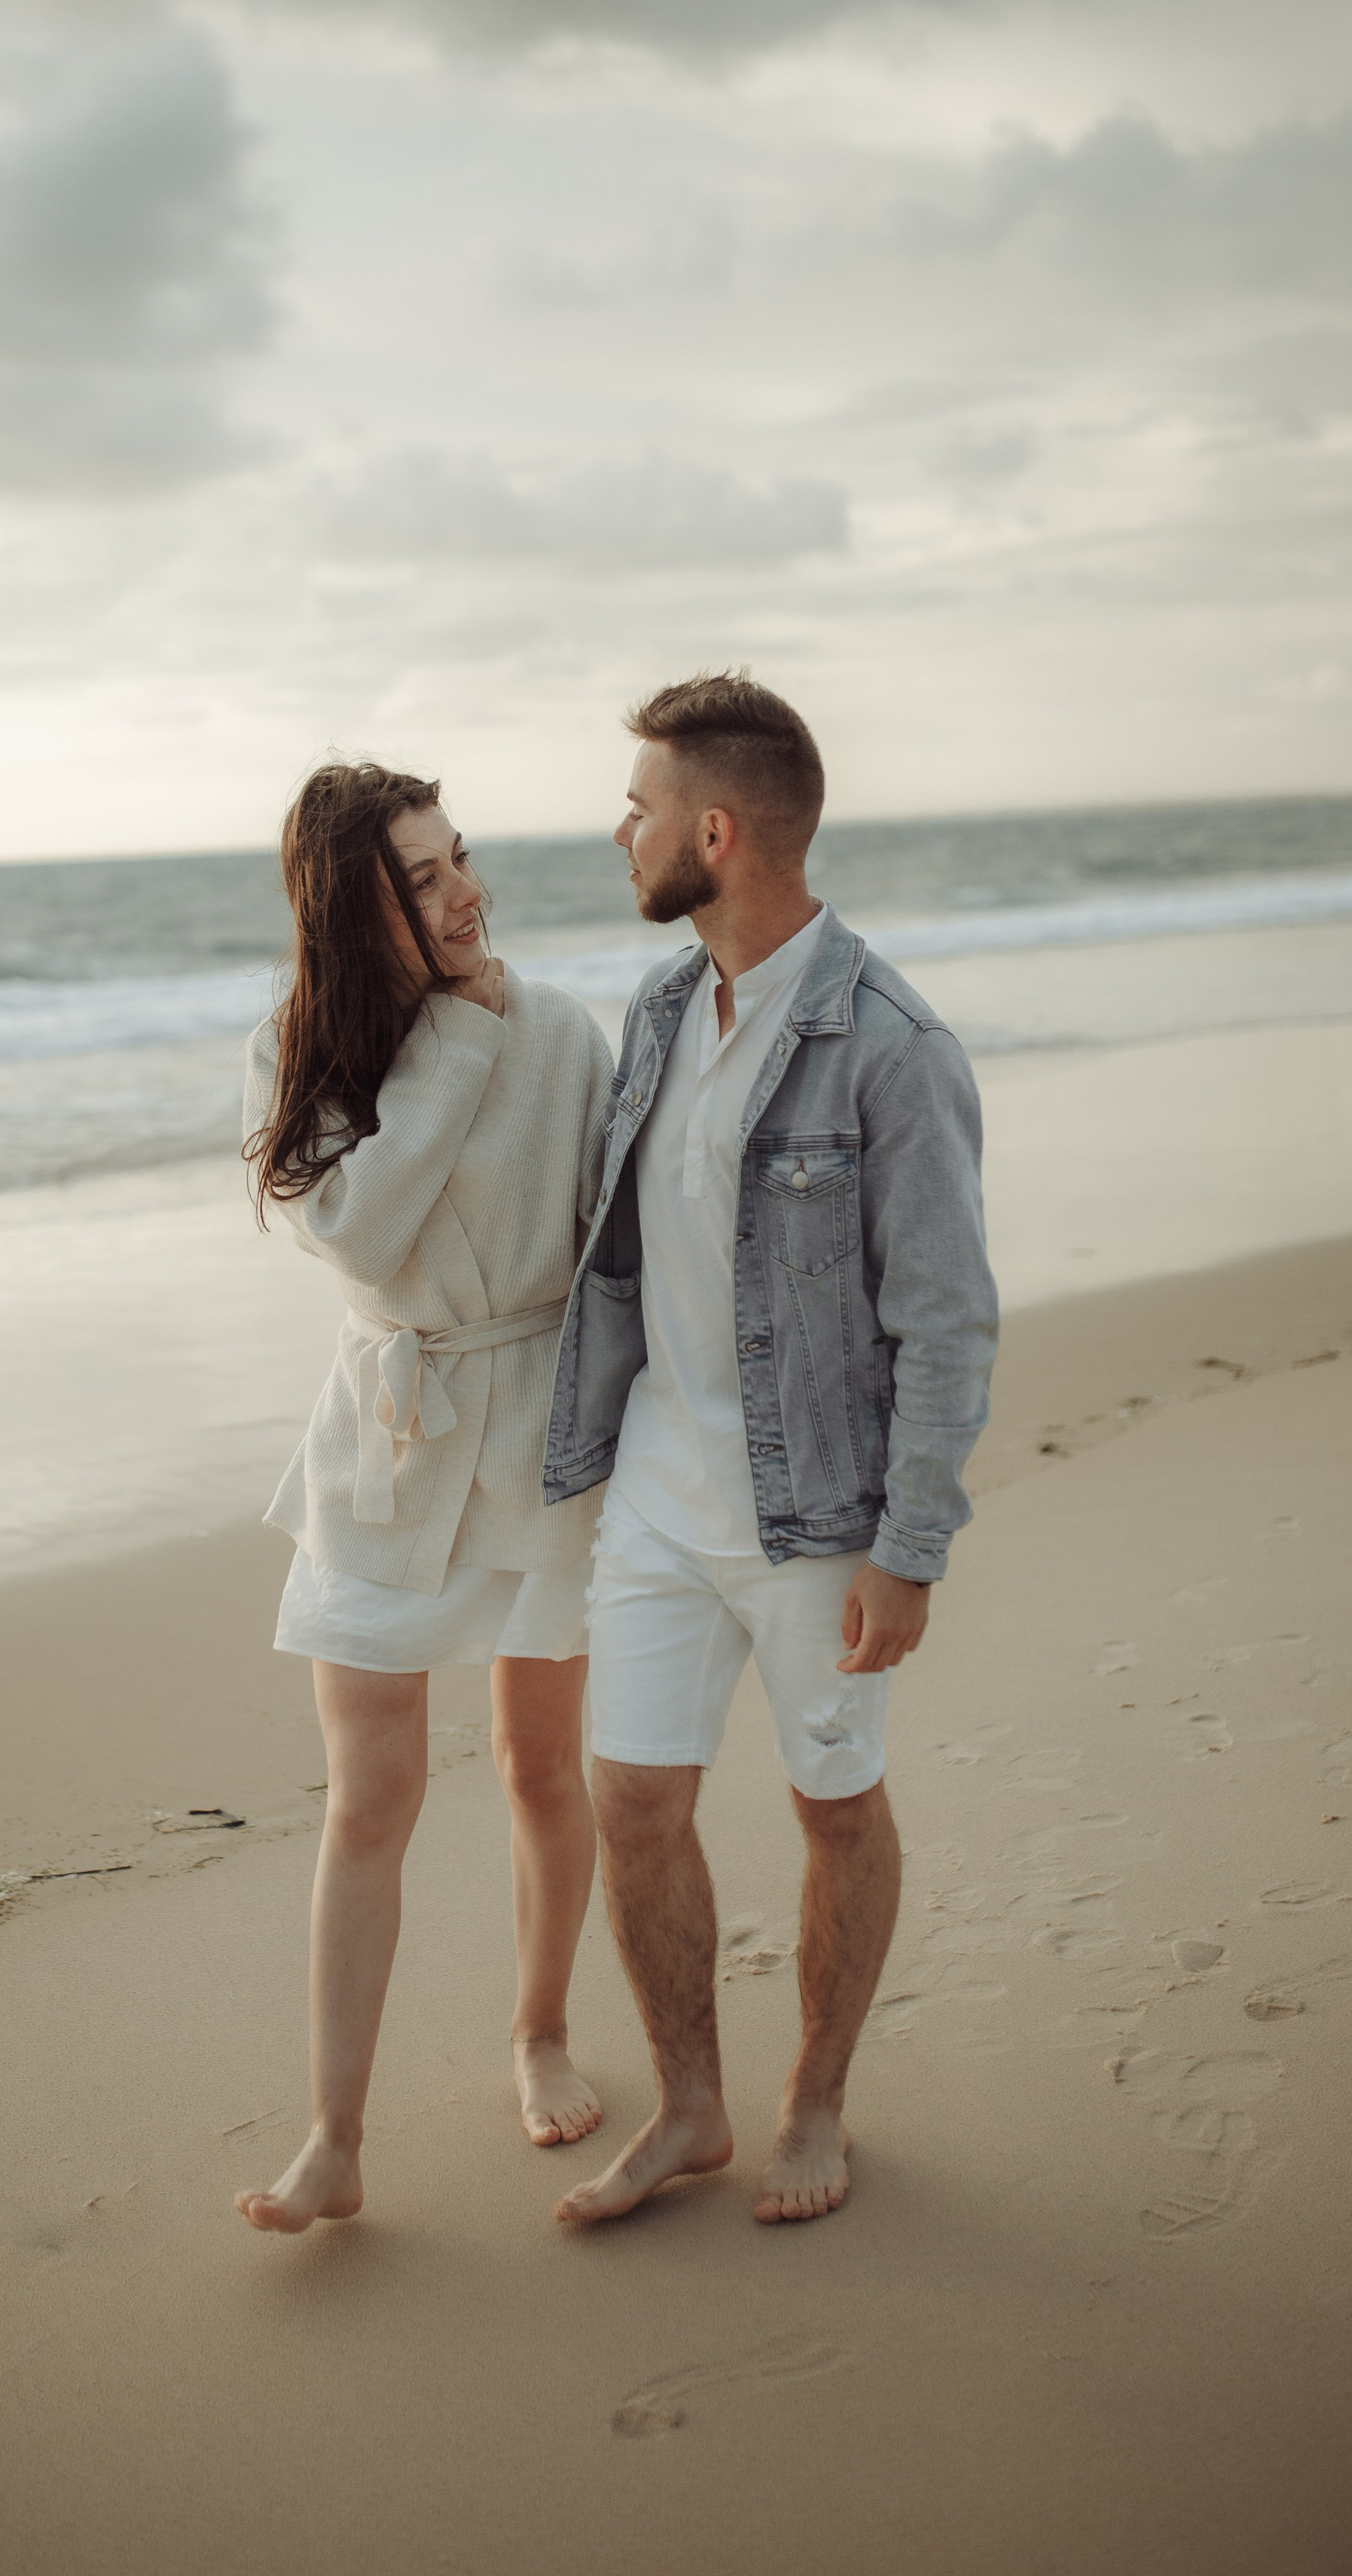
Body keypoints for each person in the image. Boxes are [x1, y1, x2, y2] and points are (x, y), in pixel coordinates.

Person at [542, 672, 998, 2228]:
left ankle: (814, 2104)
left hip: (819, 1516)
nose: (622, 834)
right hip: (657, 1495)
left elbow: (944, 1320)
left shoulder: (889, 1047)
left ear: (715, 832)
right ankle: (689, 2109)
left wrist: (908, 1545)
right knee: (632, 1803)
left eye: (642, 810)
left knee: (831, 1807)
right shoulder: (663, 1006)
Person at [237, 761, 616, 2233]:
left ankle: (538, 2032)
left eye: (460, 860)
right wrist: (451, 1045)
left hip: (534, 1429)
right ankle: (332, 2138)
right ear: (352, 908)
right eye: (422, 878)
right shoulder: (303, 1049)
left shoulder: (566, 1033)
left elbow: (613, 1246)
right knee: (369, 1800)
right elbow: (362, 1236)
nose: (464, 895)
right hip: (386, 1441)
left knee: (539, 1769)